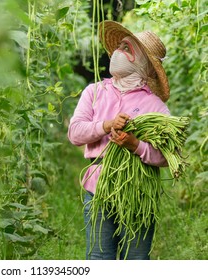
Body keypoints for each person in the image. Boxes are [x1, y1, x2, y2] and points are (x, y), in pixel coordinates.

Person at [67, 20, 170, 260]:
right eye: (119, 46)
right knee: (99, 257)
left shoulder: (155, 107)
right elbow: (75, 133)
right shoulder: (94, 93)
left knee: (136, 259)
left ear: (144, 63)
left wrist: (136, 145)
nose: (117, 52)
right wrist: (106, 125)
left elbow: (166, 155)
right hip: (98, 189)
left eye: (126, 49)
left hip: (139, 191)